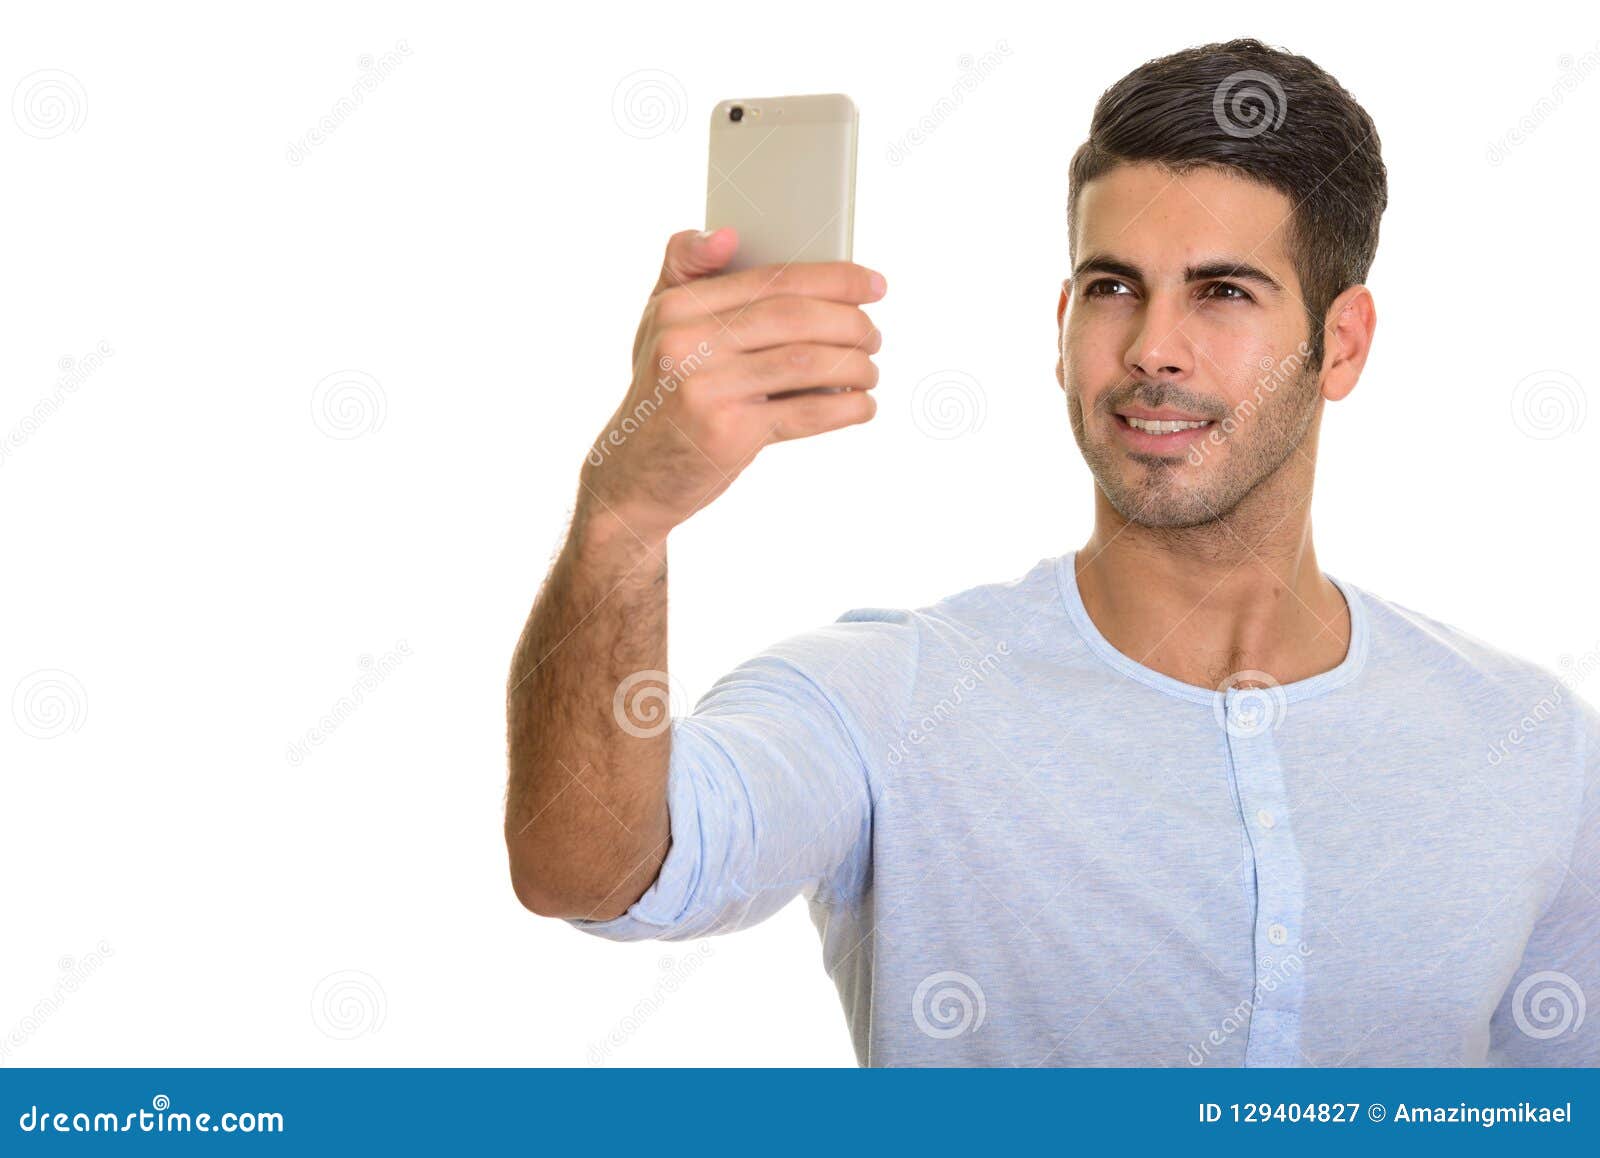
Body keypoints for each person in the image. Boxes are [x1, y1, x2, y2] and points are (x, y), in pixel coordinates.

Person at [504, 37, 1599, 1067]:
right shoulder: (885, 700)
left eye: (1221, 291)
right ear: (1063, 318)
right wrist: (622, 523)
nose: (1150, 349)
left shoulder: (1532, 746)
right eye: (1113, 288)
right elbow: (588, 870)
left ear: (1341, 344)